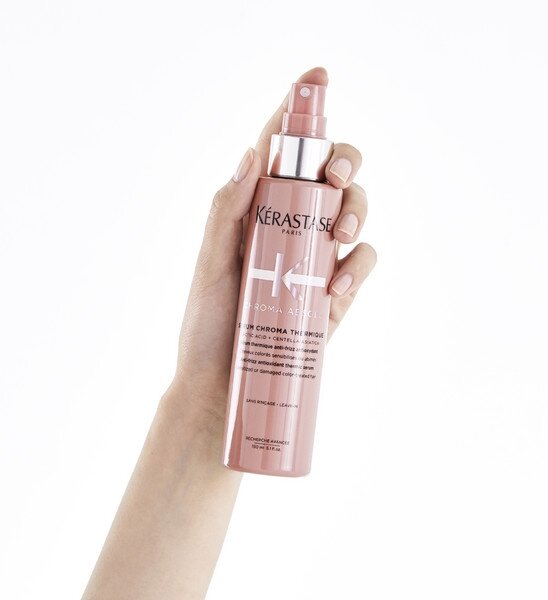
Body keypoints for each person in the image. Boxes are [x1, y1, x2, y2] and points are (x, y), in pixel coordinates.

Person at [82, 66, 377, 600]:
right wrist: (205, 404)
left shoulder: (313, 204)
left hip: (282, 361)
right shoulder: (271, 197)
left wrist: (210, 412)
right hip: (241, 371)